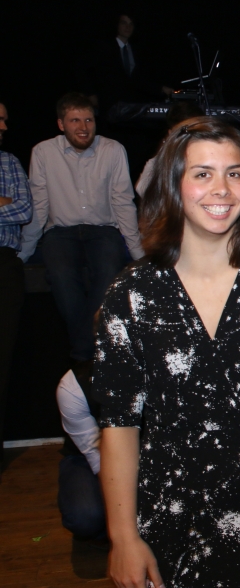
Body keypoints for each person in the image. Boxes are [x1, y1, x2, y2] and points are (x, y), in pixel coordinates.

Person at [92, 117, 240, 587]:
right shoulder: (131, 294)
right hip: (165, 519)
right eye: (203, 174)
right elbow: (118, 425)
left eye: (234, 173)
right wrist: (123, 537)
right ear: (172, 185)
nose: (222, 188)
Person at [18, 92, 143, 363]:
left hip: (103, 229)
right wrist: (24, 251)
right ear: (61, 124)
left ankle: (82, 351)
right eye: (75, 120)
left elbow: (123, 201)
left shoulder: (113, 149)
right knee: (61, 276)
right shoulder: (43, 152)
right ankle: (91, 347)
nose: (83, 127)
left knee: (109, 272)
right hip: (60, 231)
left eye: (88, 120)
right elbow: (39, 203)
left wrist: (137, 251)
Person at [0, 100, 32, 451]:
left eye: (5, 120)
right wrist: (2, 202)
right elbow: (12, 207)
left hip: (3, 264)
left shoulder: (9, 162)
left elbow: (24, 209)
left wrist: (10, 204)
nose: (4, 127)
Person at [56, 362, 106, 541]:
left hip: (151, 455)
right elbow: (98, 459)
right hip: (88, 458)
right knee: (85, 516)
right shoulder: (74, 385)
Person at [135, 101, 207, 198]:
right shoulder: (162, 160)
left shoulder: (211, 155)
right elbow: (142, 189)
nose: (189, 137)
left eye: (195, 130)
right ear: (171, 133)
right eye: (183, 132)